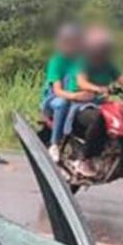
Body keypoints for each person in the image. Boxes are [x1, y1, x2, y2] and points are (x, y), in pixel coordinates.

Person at [64, 25, 123, 164]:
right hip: (81, 105)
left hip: (102, 104)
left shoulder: (107, 64)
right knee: (99, 118)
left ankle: (119, 152)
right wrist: (98, 88)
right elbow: (81, 82)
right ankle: (85, 158)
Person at [40, 23, 85, 164]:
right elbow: (58, 90)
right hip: (53, 99)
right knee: (62, 103)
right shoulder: (56, 61)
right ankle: (54, 144)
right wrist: (75, 96)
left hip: (74, 98)